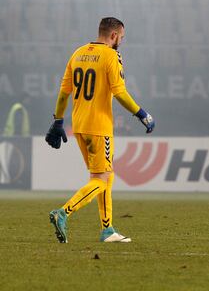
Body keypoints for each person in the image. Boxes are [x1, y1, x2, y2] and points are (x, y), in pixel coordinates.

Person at [45, 17, 155, 243]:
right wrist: (142, 114)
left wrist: (57, 121)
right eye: (121, 38)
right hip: (100, 126)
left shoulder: (78, 53)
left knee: (104, 176)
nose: (121, 42)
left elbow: (64, 93)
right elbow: (120, 92)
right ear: (114, 35)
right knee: (101, 179)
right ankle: (63, 213)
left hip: (80, 126)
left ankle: (108, 230)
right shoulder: (111, 56)